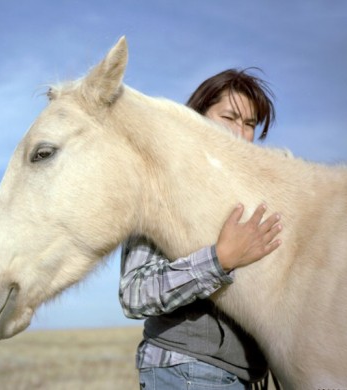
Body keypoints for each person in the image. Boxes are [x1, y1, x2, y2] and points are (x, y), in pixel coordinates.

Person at [119, 69, 283, 390]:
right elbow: (134, 294)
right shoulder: (161, 184)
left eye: (249, 124)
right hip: (190, 371)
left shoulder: (255, 197)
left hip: (246, 377)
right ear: (198, 116)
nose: (239, 132)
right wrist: (219, 259)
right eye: (229, 117)